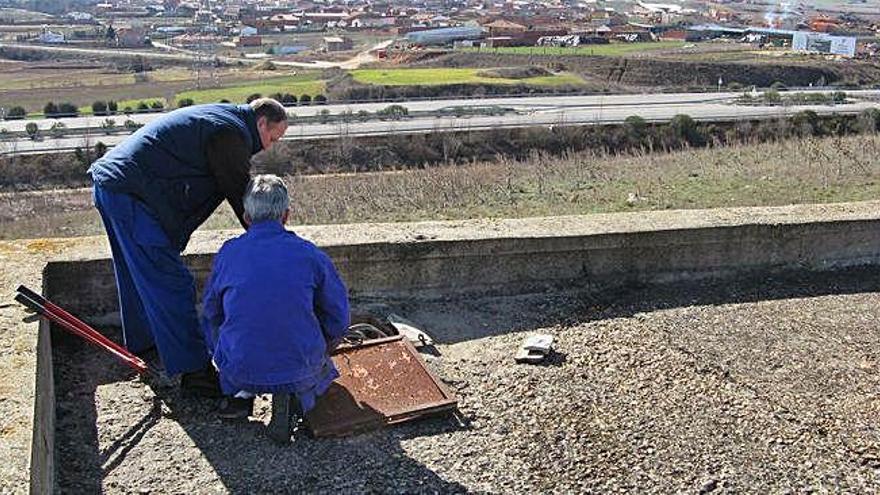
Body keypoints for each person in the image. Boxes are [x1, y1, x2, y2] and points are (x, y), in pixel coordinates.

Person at [88, 98, 289, 396]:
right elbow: (243, 199)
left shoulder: (223, 119)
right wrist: (274, 243)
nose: (270, 146)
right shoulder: (230, 134)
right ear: (261, 122)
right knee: (172, 283)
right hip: (131, 194)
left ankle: (147, 344)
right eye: (273, 137)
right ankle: (195, 373)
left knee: (138, 276)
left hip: (116, 186)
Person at [200, 175, 350, 436]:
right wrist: (326, 343)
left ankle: (239, 393)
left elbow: (212, 311)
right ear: (286, 215)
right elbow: (338, 316)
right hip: (298, 366)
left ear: (247, 217)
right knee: (319, 366)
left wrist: (221, 348)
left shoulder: (228, 253)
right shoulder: (310, 255)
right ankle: (296, 395)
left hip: (240, 365)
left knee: (229, 333)